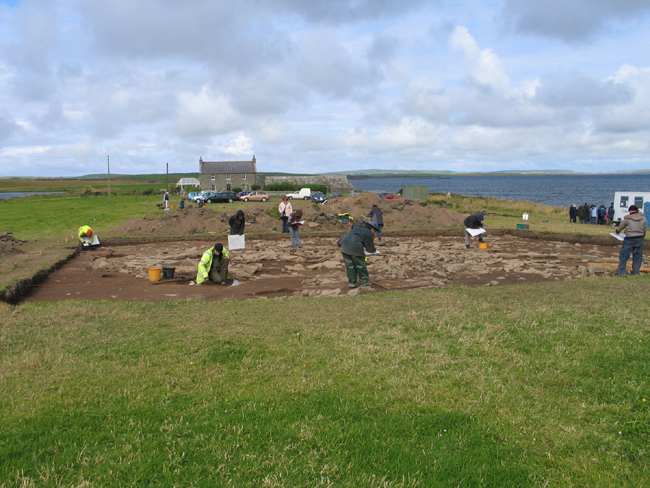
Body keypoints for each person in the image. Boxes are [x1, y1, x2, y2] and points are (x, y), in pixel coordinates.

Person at [340, 220, 379, 288]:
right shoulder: (368, 232)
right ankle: (364, 282)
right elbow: (369, 247)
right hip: (355, 247)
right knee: (361, 265)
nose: (374, 232)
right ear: (373, 228)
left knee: (350, 266)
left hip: (344, 246)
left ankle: (352, 283)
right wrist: (374, 250)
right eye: (375, 231)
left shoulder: (357, 228)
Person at [615, 205, 647, 276]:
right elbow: (645, 228)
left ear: (630, 211)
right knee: (638, 256)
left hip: (630, 238)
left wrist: (617, 231)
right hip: (640, 237)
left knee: (624, 256)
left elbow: (621, 226)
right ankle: (635, 273)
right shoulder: (643, 218)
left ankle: (621, 273)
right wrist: (643, 235)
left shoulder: (628, 218)